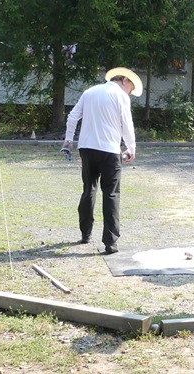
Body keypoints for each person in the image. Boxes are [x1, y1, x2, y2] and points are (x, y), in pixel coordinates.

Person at [62, 67, 142, 255]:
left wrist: (68, 139)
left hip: (86, 147)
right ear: (125, 80)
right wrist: (131, 148)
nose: (130, 93)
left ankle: (85, 233)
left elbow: (73, 116)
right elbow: (127, 124)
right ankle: (110, 242)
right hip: (109, 150)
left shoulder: (89, 92)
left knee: (88, 189)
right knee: (111, 194)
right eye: (131, 89)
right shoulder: (120, 96)